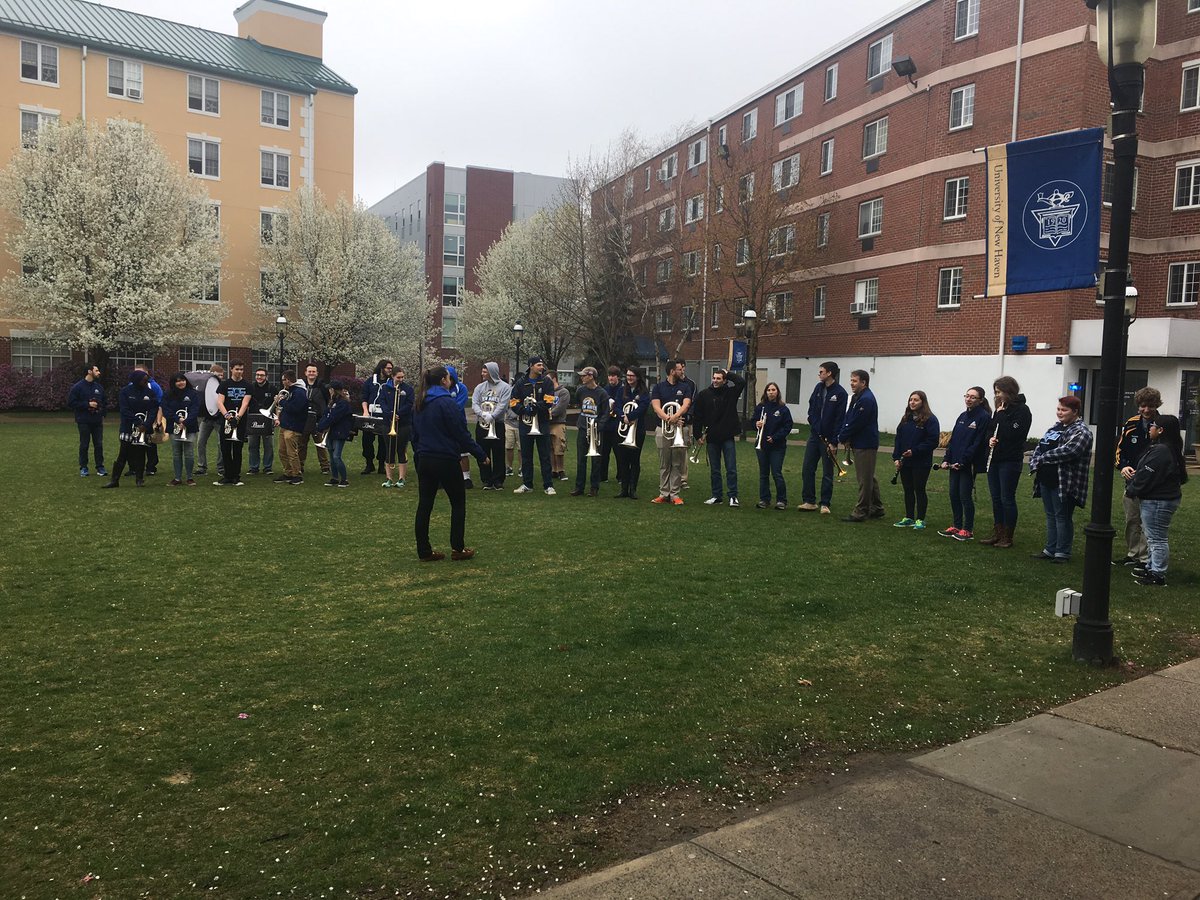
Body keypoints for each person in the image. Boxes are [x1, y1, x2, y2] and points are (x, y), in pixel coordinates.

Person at [411, 365, 489, 562]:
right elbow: (461, 433)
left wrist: (419, 454)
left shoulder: (420, 401)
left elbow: (415, 434)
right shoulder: (447, 403)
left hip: (425, 458)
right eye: (449, 378)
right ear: (443, 381)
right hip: (445, 458)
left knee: (425, 505)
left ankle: (424, 550)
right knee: (457, 503)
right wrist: (480, 454)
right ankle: (458, 548)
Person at [1029, 395, 1094, 564]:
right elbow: (1039, 447)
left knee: (1062, 516)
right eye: (1058, 409)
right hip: (1046, 479)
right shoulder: (1054, 428)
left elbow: (1070, 451)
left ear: (1075, 412)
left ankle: (1062, 552)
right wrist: (1037, 460)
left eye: (1064, 410)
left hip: (1066, 482)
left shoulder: (1082, 431)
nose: (1060, 413)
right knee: (1050, 515)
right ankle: (1050, 549)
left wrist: (1043, 458)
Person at [1125, 414, 1187, 587]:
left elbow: (1147, 475)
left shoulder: (1161, 450)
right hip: (1159, 498)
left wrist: (1132, 488)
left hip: (1158, 500)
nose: (1150, 428)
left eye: (1153, 425)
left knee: (1157, 538)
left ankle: (1158, 575)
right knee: (1153, 536)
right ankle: (1151, 567)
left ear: (1160, 430)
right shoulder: (1166, 448)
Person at [981, 375, 1033, 549]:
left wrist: (1002, 415)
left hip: (1010, 460)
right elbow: (990, 428)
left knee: (1006, 498)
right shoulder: (999, 409)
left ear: (1008, 391)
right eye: (995, 392)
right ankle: (998, 532)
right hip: (995, 458)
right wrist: (990, 439)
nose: (997, 396)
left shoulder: (1022, 410)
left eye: (999, 392)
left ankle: (1008, 536)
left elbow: (1013, 433)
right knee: (996, 498)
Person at [1114, 386, 1162, 568]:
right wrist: (1123, 466)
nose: (1146, 410)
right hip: (1131, 481)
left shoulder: (1163, 423)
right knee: (1132, 519)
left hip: (1153, 483)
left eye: (1150, 406)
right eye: (1143, 406)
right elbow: (1120, 449)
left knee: (1148, 522)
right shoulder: (1131, 423)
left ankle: (1146, 558)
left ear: (1156, 405)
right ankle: (1133, 554)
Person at [939, 386, 992, 541]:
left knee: (964, 495)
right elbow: (953, 440)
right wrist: (946, 459)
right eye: (967, 396)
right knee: (953, 494)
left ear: (980, 400)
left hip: (968, 464)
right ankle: (956, 525)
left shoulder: (983, 417)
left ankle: (967, 530)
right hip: (953, 463)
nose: (968, 399)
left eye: (973, 397)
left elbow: (977, 444)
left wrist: (963, 462)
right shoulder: (962, 416)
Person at [692, 367, 746, 507]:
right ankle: (717, 496)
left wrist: (728, 373)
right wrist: (697, 435)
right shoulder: (704, 395)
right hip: (712, 438)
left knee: (731, 468)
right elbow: (697, 416)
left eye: (719, 378)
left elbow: (741, 382)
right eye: (714, 378)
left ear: (724, 380)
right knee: (715, 469)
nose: (715, 381)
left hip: (727, 436)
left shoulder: (731, 393)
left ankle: (733, 496)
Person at [798, 362, 847, 514]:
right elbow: (812, 408)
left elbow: (840, 419)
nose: (819, 374)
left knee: (827, 472)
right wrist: (814, 424)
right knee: (807, 468)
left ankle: (825, 503)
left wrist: (833, 442)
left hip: (829, 439)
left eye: (821, 371)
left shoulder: (840, 393)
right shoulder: (818, 388)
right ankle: (809, 501)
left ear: (830, 373)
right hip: (814, 436)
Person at [837, 369, 883, 522]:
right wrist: (843, 433)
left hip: (866, 444)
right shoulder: (857, 397)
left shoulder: (866, 399)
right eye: (851, 380)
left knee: (864, 479)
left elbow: (857, 422)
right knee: (869, 477)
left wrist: (843, 436)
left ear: (863, 383)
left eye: (855, 381)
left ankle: (861, 510)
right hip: (859, 442)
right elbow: (848, 417)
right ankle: (877, 507)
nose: (851, 383)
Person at [101, 370, 159, 488]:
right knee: (123, 453)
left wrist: (146, 425)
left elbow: (153, 410)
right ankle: (114, 480)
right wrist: (137, 422)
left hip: (144, 429)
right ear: (136, 380)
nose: (146, 381)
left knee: (140, 453)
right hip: (128, 428)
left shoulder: (150, 393)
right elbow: (124, 410)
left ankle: (139, 479)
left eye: (146, 379)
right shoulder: (125, 392)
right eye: (143, 379)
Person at [891, 391, 940, 530]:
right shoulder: (906, 419)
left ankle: (920, 519)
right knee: (908, 489)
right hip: (905, 461)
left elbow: (932, 441)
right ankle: (909, 517)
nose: (912, 402)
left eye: (916, 400)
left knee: (919, 489)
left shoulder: (930, 419)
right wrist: (896, 457)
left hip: (921, 462)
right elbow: (898, 439)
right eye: (910, 400)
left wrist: (915, 451)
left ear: (922, 402)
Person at [509, 356, 556, 494]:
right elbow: (513, 402)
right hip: (525, 423)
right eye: (538, 365)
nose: (541, 367)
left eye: (542, 365)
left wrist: (535, 405)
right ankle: (527, 484)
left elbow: (549, 400)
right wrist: (524, 410)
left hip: (542, 422)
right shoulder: (520, 383)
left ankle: (548, 485)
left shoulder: (546, 382)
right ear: (531, 366)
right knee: (526, 455)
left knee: (545, 455)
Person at [650, 359, 694, 505]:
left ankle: (674, 494)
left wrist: (676, 416)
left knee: (677, 463)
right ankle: (663, 493)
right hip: (663, 428)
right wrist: (669, 418)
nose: (682, 371)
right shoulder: (658, 387)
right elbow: (656, 407)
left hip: (679, 429)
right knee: (664, 463)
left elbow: (686, 404)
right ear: (671, 371)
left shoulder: (685, 386)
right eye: (679, 369)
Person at [570, 366, 610, 496]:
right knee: (581, 459)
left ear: (591, 376)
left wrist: (599, 426)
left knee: (595, 460)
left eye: (584, 375)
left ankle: (594, 488)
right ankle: (579, 487)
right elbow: (579, 405)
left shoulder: (602, 393)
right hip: (583, 428)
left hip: (596, 430)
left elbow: (605, 413)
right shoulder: (581, 391)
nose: (582, 377)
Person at [471, 362, 511, 490]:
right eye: (482, 371)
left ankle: (498, 479)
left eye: (485, 371)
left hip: (497, 424)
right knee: (482, 451)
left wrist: (492, 416)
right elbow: (475, 403)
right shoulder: (480, 387)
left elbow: (503, 404)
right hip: (482, 424)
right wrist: (482, 413)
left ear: (492, 372)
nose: (482, 374)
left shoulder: (505, 387)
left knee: (498, 452)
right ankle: (486, 479)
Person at [753, 382, 793, 509]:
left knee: (776, 472)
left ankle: (782, 500)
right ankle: (764, 499)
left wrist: (775, 437)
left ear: (777, 392)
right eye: (769, 390)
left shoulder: (783, 409)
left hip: (777, 446)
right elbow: (752, 420)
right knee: (763, 473)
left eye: (773, 390)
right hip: (762, 445)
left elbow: (788, 426)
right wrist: (756, 424)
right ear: (766, 392)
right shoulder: (761, 407)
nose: (771, 392)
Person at [214, 362, 251, 486]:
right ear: (231, 369)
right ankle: (227, 476)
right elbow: (219, 402)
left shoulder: (247, 385)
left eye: (241, 369)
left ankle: (236, 476)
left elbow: (245, 403)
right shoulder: (224, 384)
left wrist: (238, 417)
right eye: (237, 369)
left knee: (237, 449)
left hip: (240, 421)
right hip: (226, 421)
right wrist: (227, 416)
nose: (239, 371)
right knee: (225, 449)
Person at [615, 367, 649, 500]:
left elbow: (643, 407)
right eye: (628, 375)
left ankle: (633, 489)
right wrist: (622, 416)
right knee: (623, 460)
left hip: (637, 430)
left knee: (635, 460)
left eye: (632, 376)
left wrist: (629, 416)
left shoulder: (644, 392)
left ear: (638, 377)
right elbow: (617, 406)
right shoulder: (621, 390)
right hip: (623, 430)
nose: (629, 378)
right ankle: (623, 489)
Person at [68, 364, 107, 477]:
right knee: (84, 444)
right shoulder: (78, 387)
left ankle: (100, 467)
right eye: (97, 370)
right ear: (90, 372)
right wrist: (87, 404)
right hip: (83, 421)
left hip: (97, 422)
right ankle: (84, 467)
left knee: (98, 444)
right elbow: (71, 402)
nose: (99, 372)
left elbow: (104, 402)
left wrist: (103, 413)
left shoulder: (99, 387)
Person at [161, 372, 200, 485]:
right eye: (178, 381)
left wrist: (186, 422)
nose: (181, 382)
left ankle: (189, 477)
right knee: (176, 453)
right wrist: (178, 420)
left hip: (190, 427)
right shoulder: (168, 394)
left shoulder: (193, 394)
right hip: (174, 426)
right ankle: (177, 478)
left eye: (182, 380)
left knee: (189, 453)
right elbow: (166, 409)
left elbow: (195, 409)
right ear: (174, 383)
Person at [378, 367, 413, 488]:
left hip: (403, 423)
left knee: (401, 450)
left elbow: (410, 403)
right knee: (389, 449)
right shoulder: (385, 388)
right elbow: (382, 403)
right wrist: (390, 414)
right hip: (388, 423)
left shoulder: (407, 389)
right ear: (392, 376)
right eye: (398, 377)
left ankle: (401, 478)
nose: (401, 379)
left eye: (402, 377)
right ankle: (389, 478)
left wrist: (398, 414)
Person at [316, 380, 353, 487]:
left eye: (330, 389)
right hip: (331, 432)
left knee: (337, 456)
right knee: (331, 456)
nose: (329, 391)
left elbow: (334, 417)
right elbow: (326, 414)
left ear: (334, 390)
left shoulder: (343, 403)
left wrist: (322, 426)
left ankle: (344, 479)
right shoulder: (332, 402)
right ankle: (334, 477)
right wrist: (321, 425)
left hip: (340, 432)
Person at [360, 359, 393, 475]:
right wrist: (365, 411)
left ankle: (381, 465)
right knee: (367, 441)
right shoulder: (370, 381)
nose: (390, 370)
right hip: (370, 415)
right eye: (388, 368)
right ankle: (369, 464)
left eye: (391, 368)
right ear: (381, 368)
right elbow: (364, 397)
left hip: (384, 416)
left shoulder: (391, 383)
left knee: (383, 441)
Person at [192, 363, 225, 478]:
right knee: (200, 441)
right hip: (207, 418)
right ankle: (202, 466)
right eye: (217, 375)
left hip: (219, 418)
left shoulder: (223, 386)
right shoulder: (205, 385)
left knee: (221, 443)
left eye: (221, 375)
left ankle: (221, 467)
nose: (219, 378)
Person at [297, 364, 330, 476]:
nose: (311, 373)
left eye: (313, 371)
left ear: (317, 373)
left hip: (318, 420)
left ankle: (325, 467)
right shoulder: (300, 386)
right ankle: (300, 466)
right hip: (303, 420)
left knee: (320, 445)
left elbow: (327, 402)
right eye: (309, 371)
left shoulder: (323, 387)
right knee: (301, 445)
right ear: (305, 373)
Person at [275, 371, 307, 485]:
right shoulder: (290, 391)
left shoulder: (300, 392)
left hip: (294, 426)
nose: (283, 382)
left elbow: (295, 408)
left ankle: (297, 475)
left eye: (284, 380)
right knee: (282, 451)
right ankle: (287, 473)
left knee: (292, 452)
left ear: (288, 380)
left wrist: (282, 401)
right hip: (285, 424)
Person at [447, 365, 474, 489]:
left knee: (463, 452)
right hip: (444, 426)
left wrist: (444, 409)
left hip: (459, 424)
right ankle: (446, 477)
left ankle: (466, 478)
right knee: (446, 452)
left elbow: (458, 406)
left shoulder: (461, 388)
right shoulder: (440, 388)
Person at [246, 367, 276, 476]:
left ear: (266, 377)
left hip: (268, 419)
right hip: (253, 419)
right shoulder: (250, 388)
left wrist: (277, 418)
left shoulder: (272, 389)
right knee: (253, 445)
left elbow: (276, 404)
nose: (259, 377)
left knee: (268, 445)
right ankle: (254, 467)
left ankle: (267, 467)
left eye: (262, 375)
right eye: (257, 375)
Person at [598, 366, 622, 483]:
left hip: (617, 425)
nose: (611, 378)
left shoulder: (622, 389)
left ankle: (621, 476)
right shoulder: (604, 390)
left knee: (619, 453)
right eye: (609, 375)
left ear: (618, 377)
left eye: (613, 375)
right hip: (606, 425)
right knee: (604, 452)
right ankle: (603, 476)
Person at [549, 373, 570, 481]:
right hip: (547, 424)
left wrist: (549, 414)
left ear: (554, 378)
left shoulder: (563, 392)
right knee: (550, 448)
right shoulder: (547, 392)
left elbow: (561, 407)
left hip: (558, 422)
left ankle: (561, 470)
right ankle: (554, 470)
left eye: (548, 378)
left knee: (559, 447)